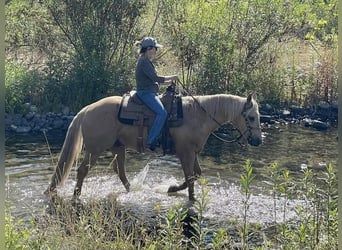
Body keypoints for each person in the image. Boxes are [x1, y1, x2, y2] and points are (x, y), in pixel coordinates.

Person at [135, 37, 178, 151]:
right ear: (149, 49)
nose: (156, 51)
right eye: (155, 49)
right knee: (162, 113)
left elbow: (153, 80)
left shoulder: (146, 61)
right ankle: (150, 140)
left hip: (150, 91)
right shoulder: (144, 62)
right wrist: (172, 77)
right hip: (145, 93)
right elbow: (155, 78)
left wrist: (170, 82)